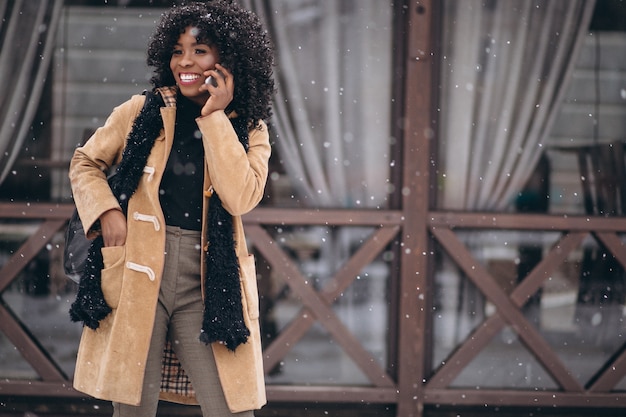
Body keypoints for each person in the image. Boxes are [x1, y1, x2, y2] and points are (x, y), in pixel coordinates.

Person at [67, 1, 274, 416]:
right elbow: (85, 162)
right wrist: (107, 212)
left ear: (227, 59)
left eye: (200, 50)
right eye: (178, 50)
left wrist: (215, 118)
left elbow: (240, 197)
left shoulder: (249, 128)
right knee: (132, 406)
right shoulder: (140, 111)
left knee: (230, 408)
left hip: (206, 279)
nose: (185, 62)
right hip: (136, 267)